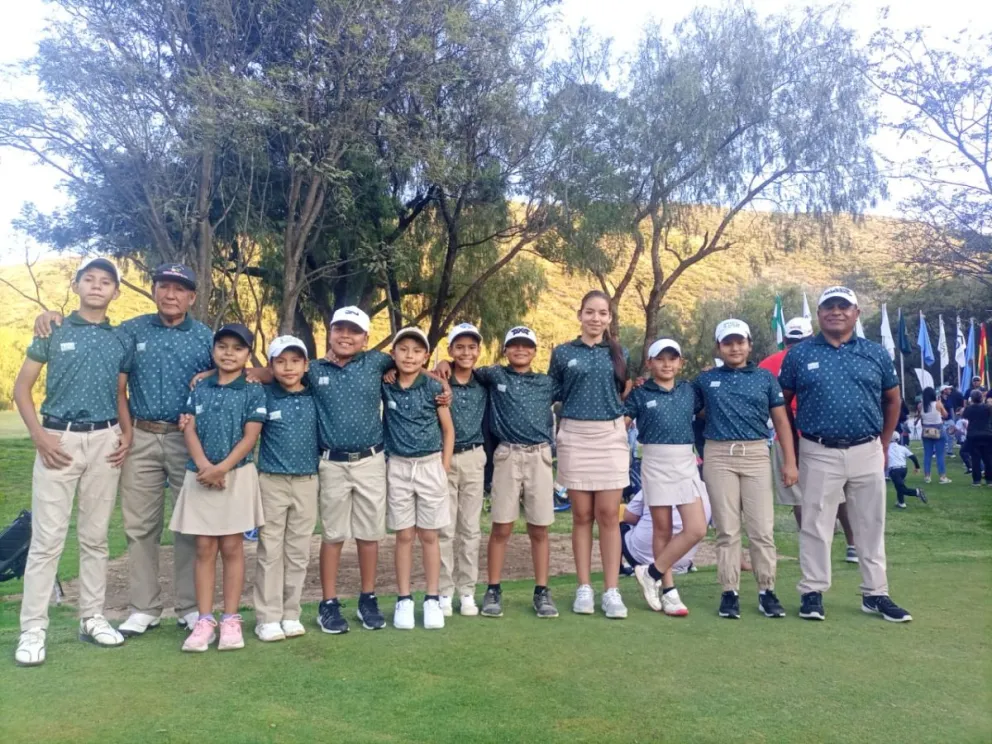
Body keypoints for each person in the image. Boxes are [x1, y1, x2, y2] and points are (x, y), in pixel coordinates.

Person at [32, 263, 213, 636]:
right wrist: (50, 316)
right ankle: (144, 607)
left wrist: (210, 374)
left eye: (180, 290)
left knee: (188, 525)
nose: (171, 295)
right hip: (140, 436)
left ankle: (189, 606)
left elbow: (239, 369)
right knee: (139, 526)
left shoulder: (206, 337)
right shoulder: (130, 331)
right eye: (164, 287)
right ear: (154, 291)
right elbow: (107, 365)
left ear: (191, 298)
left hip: (186, 438)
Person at [13, 258, 132, 667]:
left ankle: (92, 617)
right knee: (47, 540)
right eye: (90, 279)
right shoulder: (53, 328)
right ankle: (33, 629)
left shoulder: (121, 339)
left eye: (106, 282)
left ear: (115, 291)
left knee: (95, 537)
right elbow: (22, 388)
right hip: (57, 439)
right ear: (77, 284)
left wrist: (127, 433)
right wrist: (39, 435)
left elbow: (120, 393)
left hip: (105, 439)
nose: (97, 286)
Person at [780, 286, 912, 623]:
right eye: (829, 307)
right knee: (815, 523)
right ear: (819, 314)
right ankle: (812, 592)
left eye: (843, 306)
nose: (835, 312)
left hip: (867, 448)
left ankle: (875, 593)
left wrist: (883, 444)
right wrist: (793, 448)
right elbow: (782, 404)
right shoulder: (798, 354)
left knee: (870, 523)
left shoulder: (875, 353)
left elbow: (893, 400)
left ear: (855, 313)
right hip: (818, 448)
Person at [447, 326, 558, 618]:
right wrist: (443, 363)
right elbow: (461, 366)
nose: (520, 350)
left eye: (526, 346)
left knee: (539, 527)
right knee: (501, 526)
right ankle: (493, 588)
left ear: (535, 351)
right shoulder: (494, 375)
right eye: (514, 345)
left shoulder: (547, 382)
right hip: (507, 455)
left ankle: (541, 591)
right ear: (505, 350)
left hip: (540, 456)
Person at [170, 323, 266, 651]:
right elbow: (189, 428)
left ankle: (230, 619)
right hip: (199, 473)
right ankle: (204, 620)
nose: (229, 353)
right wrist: (204, 467)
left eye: (237, 348)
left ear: (248, 355)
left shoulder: (253, 389)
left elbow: (250, 436)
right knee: (204, 548)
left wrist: (221, 468)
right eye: (222, 346)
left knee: (232, 547)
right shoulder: (200, 386)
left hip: (236, 475)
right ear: (213, 351)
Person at [695, 319, 797, 620]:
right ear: (719, 347)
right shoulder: (705, 380)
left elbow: (781, 421)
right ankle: (730, 592)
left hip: (755, 453)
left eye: (740, 342)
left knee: (761, 528)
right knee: (727, 529)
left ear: (749, 344)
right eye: (728, 343)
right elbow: (690, 409)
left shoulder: (765, 378)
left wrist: (790, 461)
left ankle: (767, 590)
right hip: (718, 454)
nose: (735, 347)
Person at [549, 290, 631, 619]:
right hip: (575, 434)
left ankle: (612, 591)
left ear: (609, 318)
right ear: (579, 314)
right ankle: (584, 587)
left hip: (610, 437)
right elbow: (551, 392)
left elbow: (625, 391)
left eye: (603, 313)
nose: (596, 318)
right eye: (590, 312)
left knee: (609, 515)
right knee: (582, 515)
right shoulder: (563, 352)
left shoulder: (620, 352)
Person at [758, 317, 859, 563]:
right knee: (840, 493)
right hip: (819, 432)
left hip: (786, 435)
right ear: (811, 336)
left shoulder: (768, 363)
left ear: (784, 339)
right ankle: (853, 545)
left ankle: (812, 550)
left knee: (798, 495)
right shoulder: (822, 356)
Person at [623, 338, 708, 616]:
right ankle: (669, 590)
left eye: (673, 358)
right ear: (649, 363)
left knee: (696, 528)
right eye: (660, 358)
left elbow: (705, 410)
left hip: (685, 461)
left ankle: (652, 573)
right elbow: (620, 426)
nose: (667, 364)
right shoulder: (639, 394)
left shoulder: (689, 391)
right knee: (662, 528)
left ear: (681, 363)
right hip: (655, 462)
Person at [382, 327, 455, 630]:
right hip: (397, 466)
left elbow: (448, 430)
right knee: (403, 535)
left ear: (425, 356)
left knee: (429, 535)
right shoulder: (385, 384)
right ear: (394, 354)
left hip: (429, 466)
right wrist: (386, 371)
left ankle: (432, 598)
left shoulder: (433, 387)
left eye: (416, 351)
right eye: (403, 349)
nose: (409, 356)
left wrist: (444, 466)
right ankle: (403, 599)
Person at [252, 336, 319, 642]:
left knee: (298, 552)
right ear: (271, 366)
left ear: (306, 365)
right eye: (280, 361)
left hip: (307, 481)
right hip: (271, 481)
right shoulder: (263, 394)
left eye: (295, 361)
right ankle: (267, 616)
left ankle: (291, 613)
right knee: (270, 551)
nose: (288, 367)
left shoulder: (316, 394)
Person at [437, 323, 487, 617]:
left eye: (471, 347)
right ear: (450, 350)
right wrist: (438, 365)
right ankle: (444, 592)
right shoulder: (438, 379)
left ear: (478, 351)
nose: (466, 352)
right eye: (460, 347)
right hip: (443, 459)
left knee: (470, 529)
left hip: (473, 457)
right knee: (444, 528)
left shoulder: (484, 381)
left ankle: (467, 591)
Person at [621, 489, 712, 575]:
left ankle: (620, 569)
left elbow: (629, 516)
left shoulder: (655, 483)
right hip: (682, 561)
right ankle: (667, 580)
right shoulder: (702, 489)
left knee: (620, 527)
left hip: (643, 557)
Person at [916, 387, 952, 485]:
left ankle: (927, 476)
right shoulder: (938, 404)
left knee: (927, 454)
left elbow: (920, 416)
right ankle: (942, 477)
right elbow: (945, 415)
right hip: (938, 431)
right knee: (940, 455)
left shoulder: (920, 405)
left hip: (926, 432)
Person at [961, 389, 992, 486]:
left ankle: (976, 480)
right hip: (987, 434)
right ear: (981, 397)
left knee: (975, 459)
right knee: (988, 459)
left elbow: (964, 416)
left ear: (972, 398)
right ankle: (989, 480)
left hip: (973, 435)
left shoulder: (969, 408)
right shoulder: (988, 408)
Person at [886, 433, 926, 509]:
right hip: (904, 469)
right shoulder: (902, 448)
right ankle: (901, 503)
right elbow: (913, 457)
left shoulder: (886, 448)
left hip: (894, 470)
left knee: (900, 488)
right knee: (899, 486)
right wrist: (917, 467)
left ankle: (917, 492)